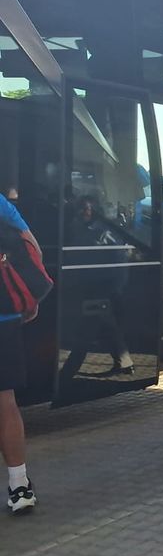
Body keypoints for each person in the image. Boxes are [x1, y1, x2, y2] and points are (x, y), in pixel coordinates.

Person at [0, 195, 40, 514]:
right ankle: (19, 486)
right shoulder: (1, 203)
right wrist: (31, 297)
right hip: (3, 314)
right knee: (5, 402)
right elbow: (30, 247)